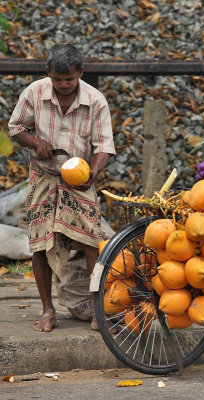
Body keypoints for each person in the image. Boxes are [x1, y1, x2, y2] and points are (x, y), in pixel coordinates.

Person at [8, 43, 116, 332]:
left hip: (79, 180)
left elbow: (104, 146)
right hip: (43, 176)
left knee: (91, 242)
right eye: (58, 80)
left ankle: (98, 310)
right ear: (49, 74)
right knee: (39, 243)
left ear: (81, 72)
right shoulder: (34, 93)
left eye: (70, 79)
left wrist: (93, 171)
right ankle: (47, 311)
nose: (64, 85)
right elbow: (15, 127)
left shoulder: (95, 101)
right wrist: (35, 142)